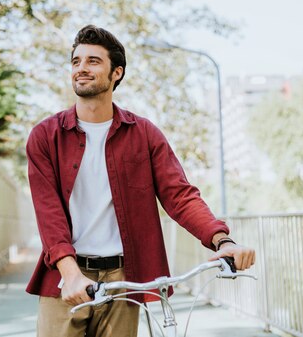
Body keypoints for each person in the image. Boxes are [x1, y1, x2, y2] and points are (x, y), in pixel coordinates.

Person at [25, 24, 256, 337]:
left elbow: (180, 196)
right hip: (65, 275)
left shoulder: (144, 134)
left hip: (124, 276)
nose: (81, 68)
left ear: (116, 73)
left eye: (93, 61)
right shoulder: (45, 137)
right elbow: (48, 211)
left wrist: (222, 240)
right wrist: (71, 273)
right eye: (76, 61)